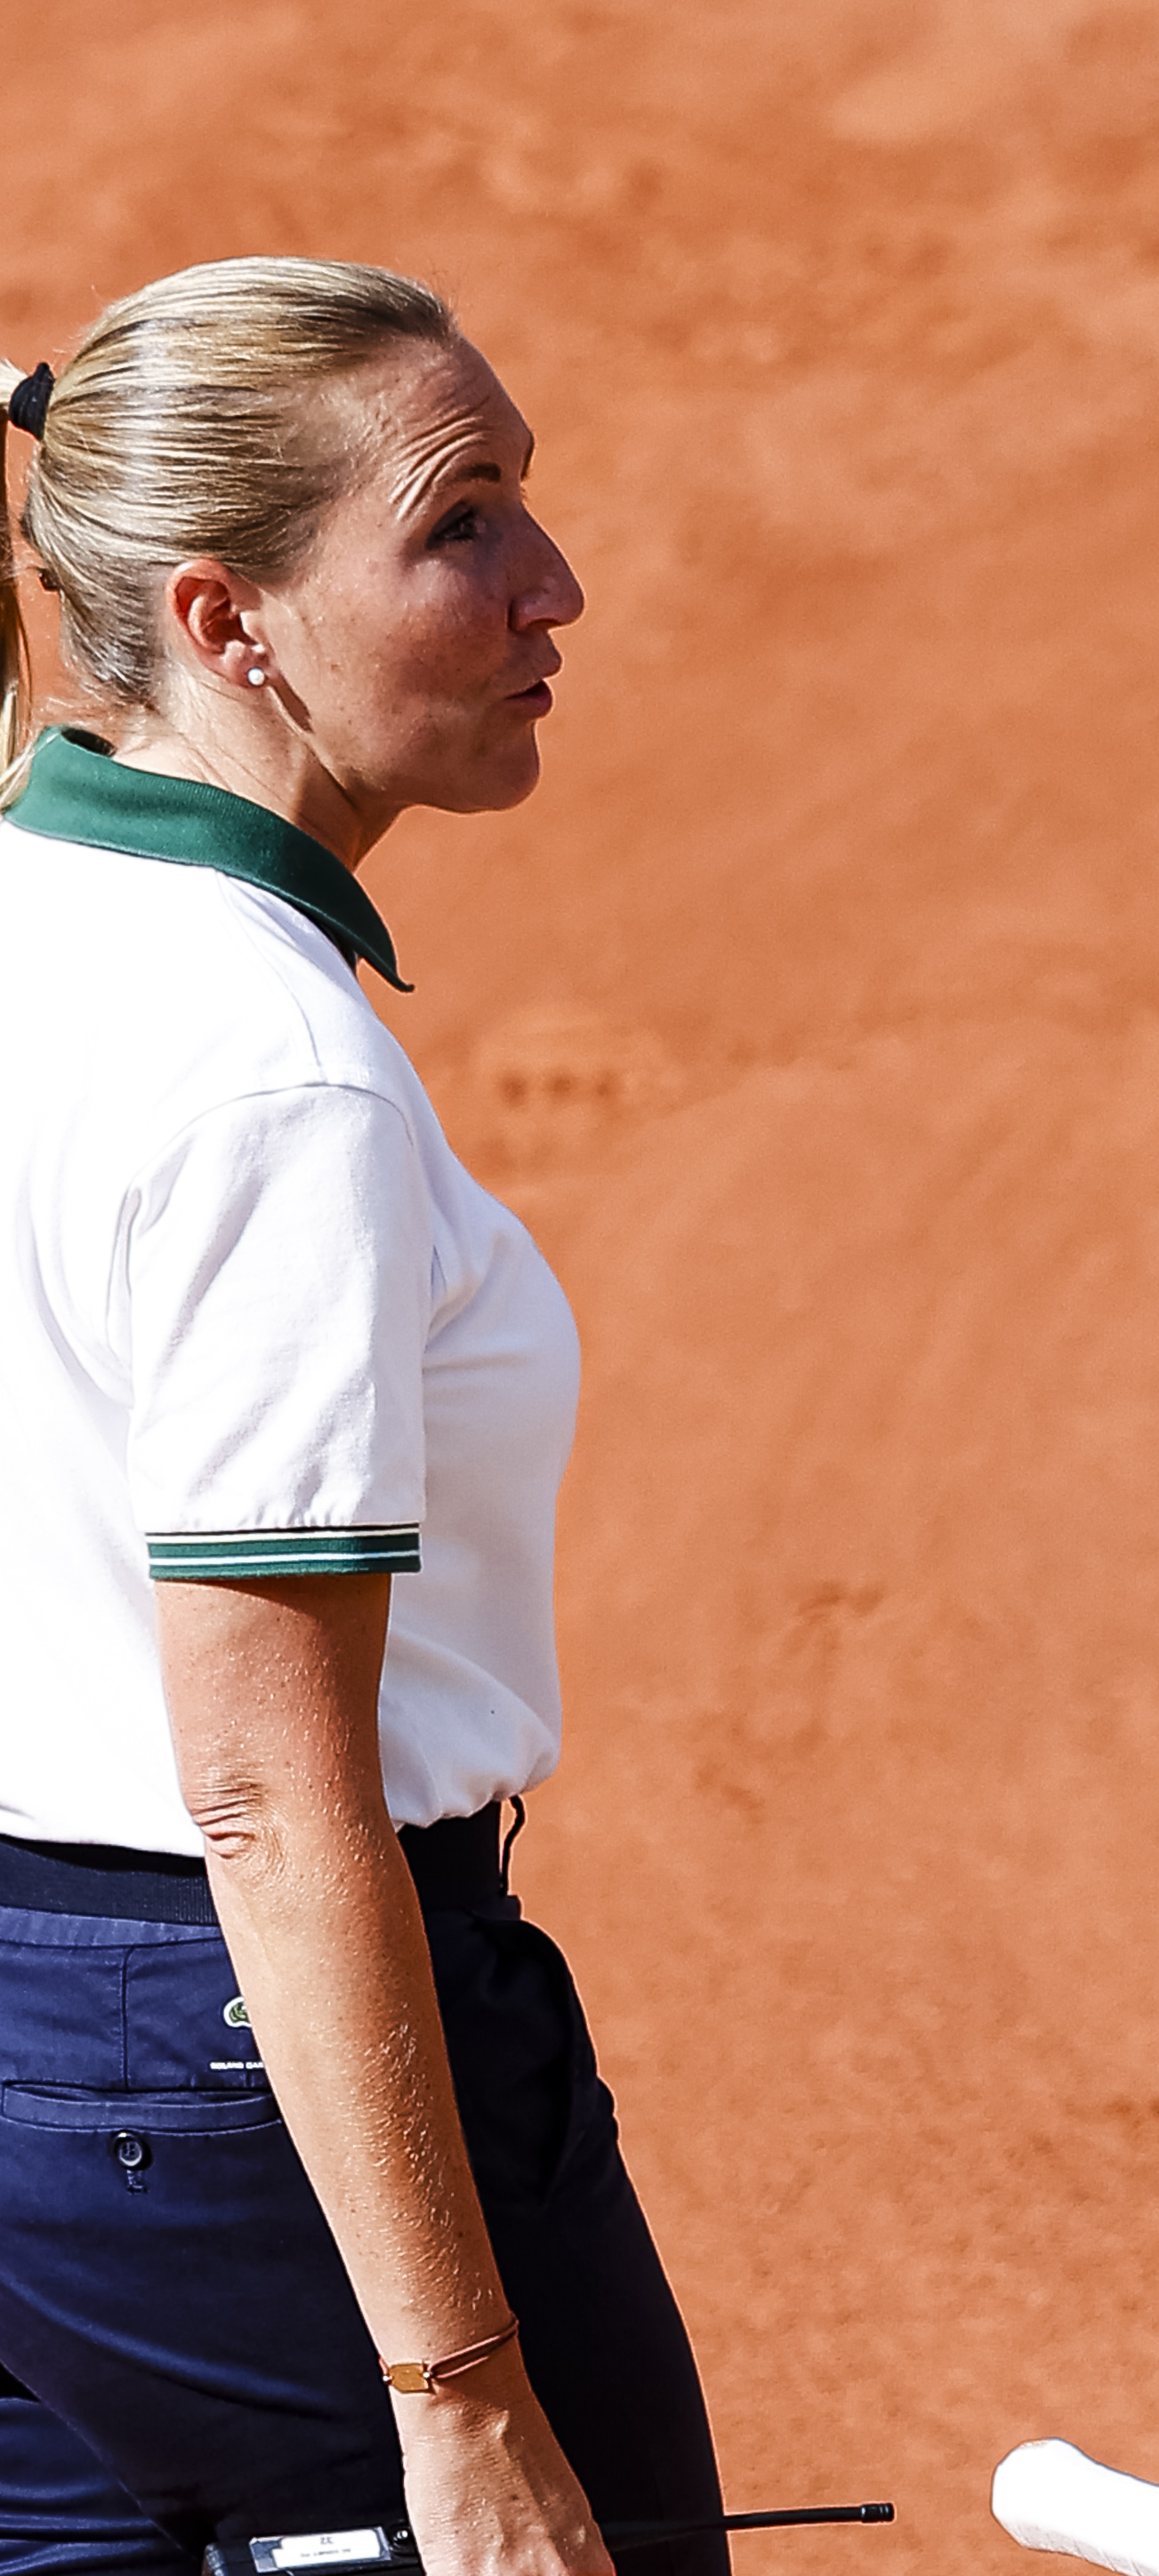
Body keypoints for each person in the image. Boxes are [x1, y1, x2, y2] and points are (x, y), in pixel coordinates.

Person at [0, 265, 724, 2576]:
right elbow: (261, 1776)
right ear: (228, 622)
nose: (555, 588)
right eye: (463, 527)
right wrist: (461, 2401)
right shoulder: (264, 1072)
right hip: (243, 2093)